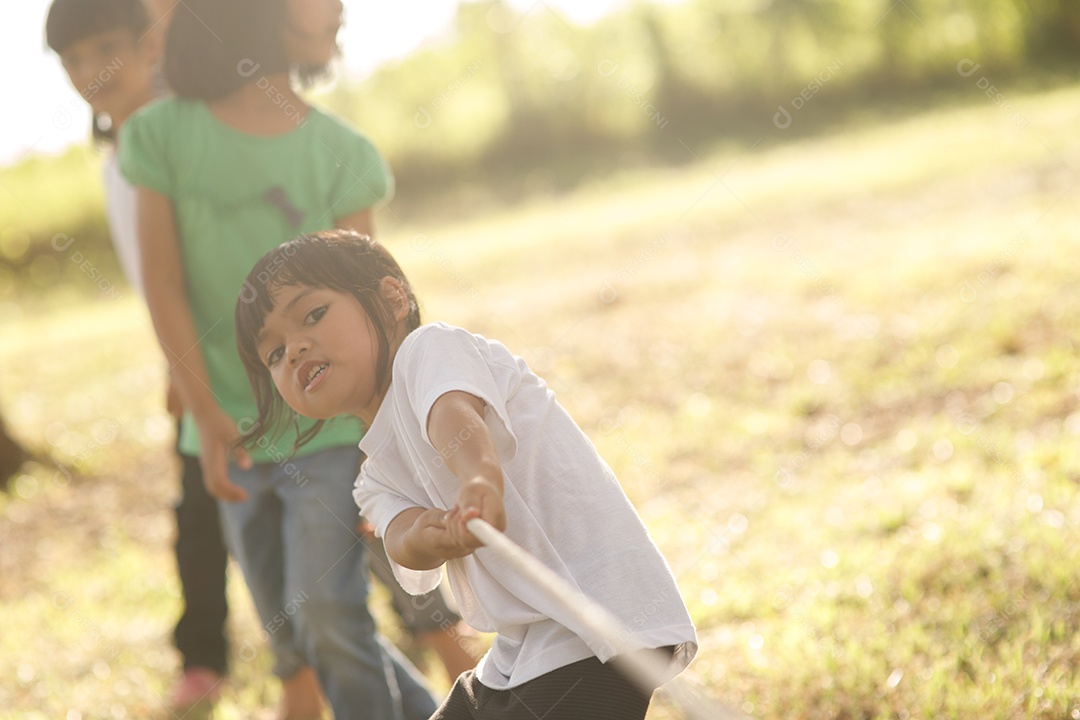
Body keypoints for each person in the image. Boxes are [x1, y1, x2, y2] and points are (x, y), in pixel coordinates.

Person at [117, 1, 438, 717]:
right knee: (294, 632)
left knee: (328, 611)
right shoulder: (159, 136)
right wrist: (204, 409)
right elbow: (162, 281)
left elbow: (376, 309)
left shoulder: (342, 152)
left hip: (327, 433)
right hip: (227, 431)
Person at [233, 229, 701, 720]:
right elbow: (400, 538)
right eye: (275, 354)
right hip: (522, 653)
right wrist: (427, 536)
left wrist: (479, 478)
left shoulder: (429, 352)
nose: (296, 349)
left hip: (600, 622)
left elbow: (452, 415)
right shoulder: (370, 477)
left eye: (312, 315)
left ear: (391, 299)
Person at [43, 0, 251, 711]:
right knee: (196, 512)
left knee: (328, 487)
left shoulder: (188, 137)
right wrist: (175, 365)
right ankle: (202, 658)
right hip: (193, 370)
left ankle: (426, 621)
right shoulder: (113, 156)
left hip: (250, 357)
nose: (90, 72)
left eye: (106, 49)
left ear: (150, 47)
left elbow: (208, 261)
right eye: (72, 60)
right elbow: (153, 275)